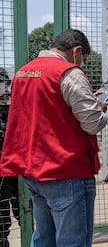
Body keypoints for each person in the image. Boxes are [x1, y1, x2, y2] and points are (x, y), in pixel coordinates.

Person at [0, 29, 108, 246]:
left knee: (43, 236)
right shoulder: (70, 73)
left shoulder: (22, 74)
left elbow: (45, 113)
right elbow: (92, 123)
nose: (82, 65)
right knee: (72, 240)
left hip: (34, 170)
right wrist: (100, 109)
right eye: (83, 60)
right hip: (66, 170)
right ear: (77, 51)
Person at [0, 68, 19, 247]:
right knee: (2, 216)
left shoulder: (11, 106)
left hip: (16, 165)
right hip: (3, 171)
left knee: (25, 210)